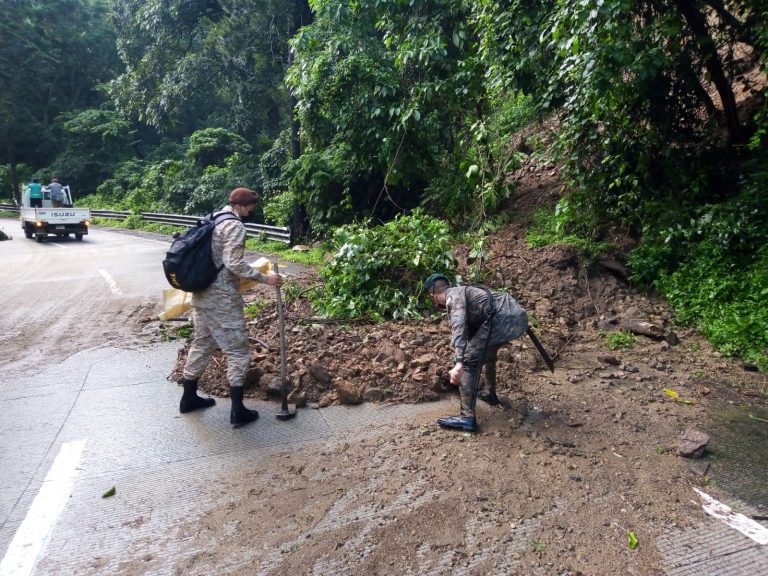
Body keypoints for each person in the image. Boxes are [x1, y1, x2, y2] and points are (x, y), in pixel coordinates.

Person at [179, 187, 283, 427]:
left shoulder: (214, 219)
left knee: (202, 343)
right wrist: (264, 278)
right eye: (251, 207)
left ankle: (188, 398)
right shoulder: (234, 226)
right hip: (222, 299)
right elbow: (233, 263)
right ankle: (238, 411)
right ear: (242, 206)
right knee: (238, 351)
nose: (251, 212)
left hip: (201, 293)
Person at [424, 274, 529, 432]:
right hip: (513, 315)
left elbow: (458, 327)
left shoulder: (453, 297)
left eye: (432, 298)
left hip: (502, 319)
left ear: (433, 295)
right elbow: (472, 331)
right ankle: (489, 393)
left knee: (468, 362)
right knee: (487, 353)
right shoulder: (463, 291)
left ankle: (467, 417)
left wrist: (459, 363)